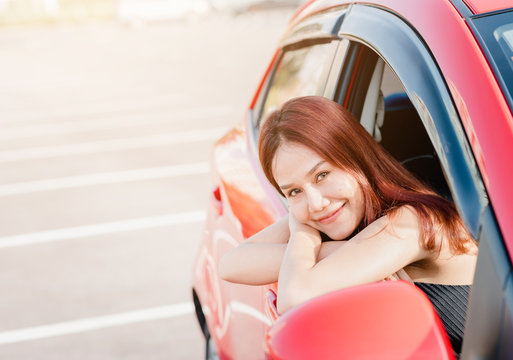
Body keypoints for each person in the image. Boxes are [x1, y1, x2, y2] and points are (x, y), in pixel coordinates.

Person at [219, 96, 477, 354]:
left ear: (354, 158)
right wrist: (305, 231)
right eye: (294, 191)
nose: (316, 203)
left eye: (322, 175)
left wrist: (305, 243)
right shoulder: (325, 210)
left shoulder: (413, 222)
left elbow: (294, 296)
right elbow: (230, 264)